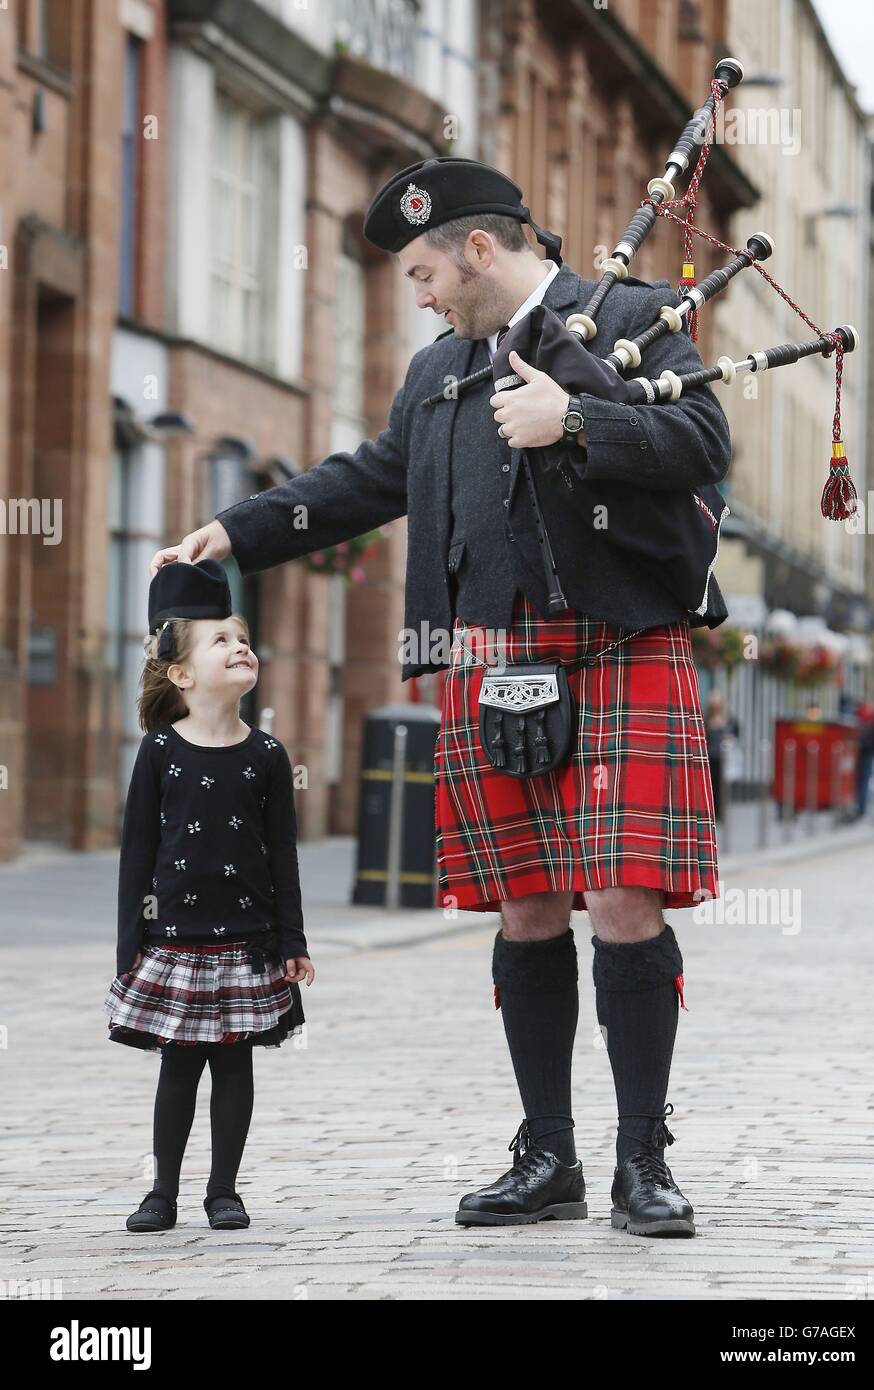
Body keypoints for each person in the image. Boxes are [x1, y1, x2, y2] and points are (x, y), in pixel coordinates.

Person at [148, 157, 732, 1237]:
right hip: (487, 659)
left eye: (422, 272)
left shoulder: (630, 317)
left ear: (477, 248)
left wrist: (575, 422)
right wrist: (242, 527)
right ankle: (545, 1151)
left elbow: (702, 445)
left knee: (621, 899)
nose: (417, 294)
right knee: (524, 905)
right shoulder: (435, 371)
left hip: (615, 643)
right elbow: (371, 476)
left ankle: (640, 1157)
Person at [103, 559, 314, 1233]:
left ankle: (223, 1190)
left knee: (234, 1067)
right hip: (173, 943)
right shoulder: (161, 750)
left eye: (243, 637)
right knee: (178, 1071)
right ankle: (160, 1190)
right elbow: (136, 853)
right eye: (221, 639)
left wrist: (293, 943)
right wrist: (129, 945)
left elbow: (283, 855)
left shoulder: (269, 755)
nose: (239, 645)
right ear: (183, 675)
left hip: (246, 944)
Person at [704, 689, 740, 822]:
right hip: (710, 756)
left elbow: (736, 734)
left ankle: (720, 812)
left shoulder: (730, 719)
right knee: (711, 785)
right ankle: (711, 811)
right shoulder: (706, 718)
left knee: (722, 786)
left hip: (724, 758)